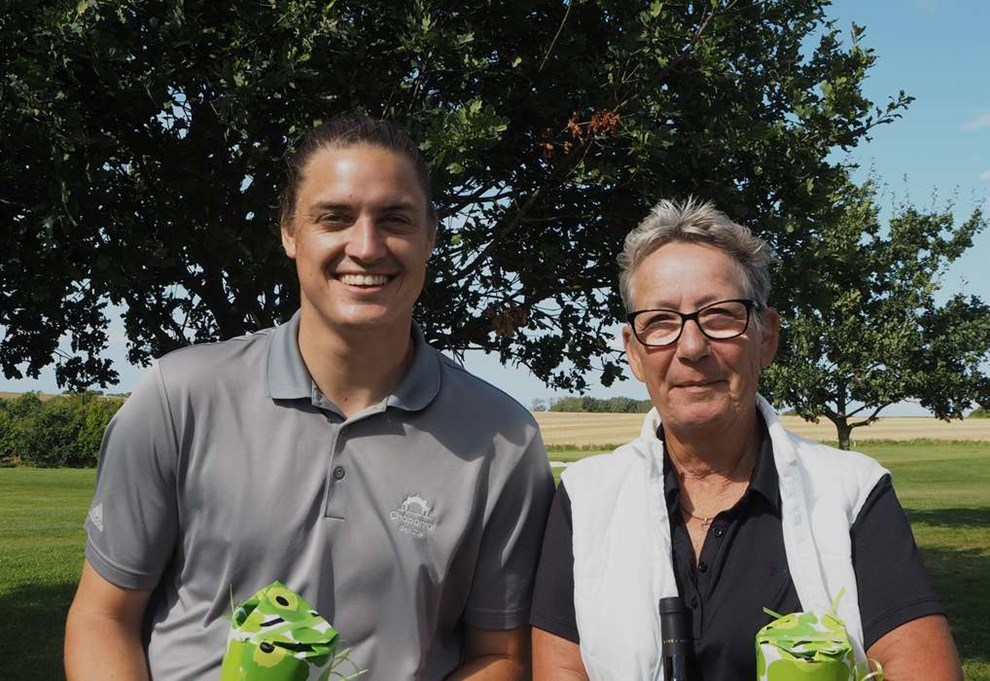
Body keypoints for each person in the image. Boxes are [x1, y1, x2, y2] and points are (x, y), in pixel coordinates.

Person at [64, 115, 554, 680]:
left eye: (395, 219)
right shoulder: (181, 397)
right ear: (290, 232)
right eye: (335, 218)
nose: (366, 247)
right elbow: (103, 617)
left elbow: (500, 654)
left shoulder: (503, 439)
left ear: (430, 237)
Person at [530, 198, 962, 680]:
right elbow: (561, 668)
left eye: (719, 316)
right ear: (634, 353)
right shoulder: (586, 498)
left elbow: (923, 667)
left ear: (767, 335)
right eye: (660, 322)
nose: (691, 348)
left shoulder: (853, 493)